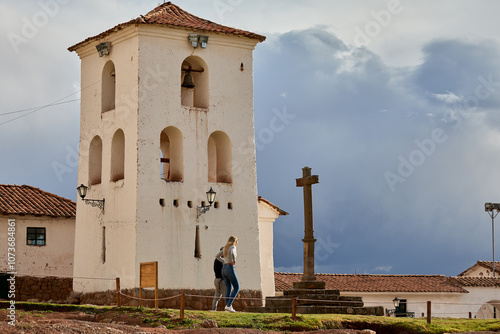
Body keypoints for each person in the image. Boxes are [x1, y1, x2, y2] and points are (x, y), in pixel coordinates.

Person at [221, 235, 239, 313]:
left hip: (224, 268)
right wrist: (234, 261)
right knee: (236, 287)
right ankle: (228, 305)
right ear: (235, 241)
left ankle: (227, 307)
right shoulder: (232, 247)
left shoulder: (225, 247)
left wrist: (223, 261)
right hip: (229, 268)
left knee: (228, 288)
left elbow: (217, 256)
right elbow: (233, 253)